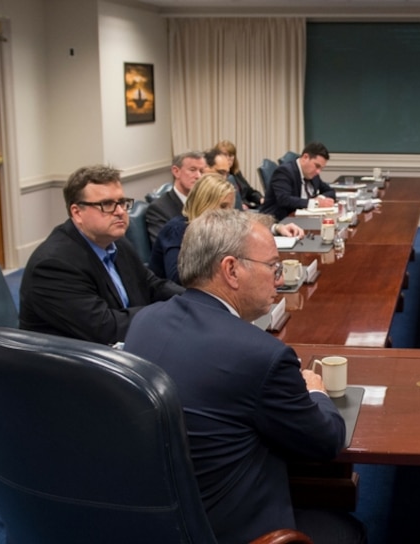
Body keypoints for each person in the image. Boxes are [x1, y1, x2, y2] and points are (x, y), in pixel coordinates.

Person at [124, 210, 366, 544]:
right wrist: (316, 392)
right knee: (346, 531)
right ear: (231, 270)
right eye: (272, 267)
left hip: (153, 523)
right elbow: (326, 441)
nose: (279, 279)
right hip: (230, 530)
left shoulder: (145, 321)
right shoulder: (262, 354)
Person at [19, 165, 183, 345]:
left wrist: (192, 299)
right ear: (77, 212)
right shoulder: (53, 265)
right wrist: (170, 312)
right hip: (71, 362)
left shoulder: (116, 242)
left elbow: (151, 285)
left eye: (121, 202)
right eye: (107, 204)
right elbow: (106, 328)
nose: (120, 211)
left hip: (117, 347)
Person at [150, 174, 236, 284]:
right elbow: (178, 278)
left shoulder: (216, 229)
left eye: (231, 207)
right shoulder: (176, 230)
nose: (229, 213)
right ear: (204, 204)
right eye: (223, 206)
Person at [260, 141, 337, 221]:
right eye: (317, 166)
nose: (318, 171)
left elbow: (330, 191)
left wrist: (320, 198)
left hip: (302, 219)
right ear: (305, 157)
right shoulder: (284, 171)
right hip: (279, 220)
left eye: (321, 168)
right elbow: (284, 200)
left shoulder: (312, 174)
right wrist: (316, 203)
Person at [146, 151, 206, 243]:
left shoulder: (204, 201)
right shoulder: (159, 209)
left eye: (201, 171)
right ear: (176, 171)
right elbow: (165, 248)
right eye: (193, 170)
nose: (198, 176)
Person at [214, 139, 263, 209]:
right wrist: (240, 205)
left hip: (247, 208)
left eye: (230, 155)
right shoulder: (215, 176)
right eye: (224, 155)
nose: (228, 158)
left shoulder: (236, 173)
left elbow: (250, 192)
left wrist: (260, 199)